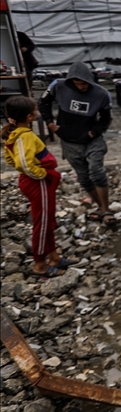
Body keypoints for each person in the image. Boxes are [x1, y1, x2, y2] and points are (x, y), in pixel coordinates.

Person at [2, 96, 74, 278]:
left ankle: (54, 257)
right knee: (42, 223)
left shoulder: (14, 134)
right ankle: (40, 264)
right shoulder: (25, 135)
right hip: (37, 181)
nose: (37, 112)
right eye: (35, 109)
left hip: (33, 180)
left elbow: (10, 158)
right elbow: (24, 164)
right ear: (29, 116)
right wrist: (42, 174)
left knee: (47, 219)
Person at [38, 62, 115, 226]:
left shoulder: (101, 94)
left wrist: (93, 132)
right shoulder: (58, 86)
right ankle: (101, 207)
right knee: (84, 177)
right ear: (71, 82)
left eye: (84, 83)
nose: (81, 87)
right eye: (77, 84)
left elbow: (106, 119)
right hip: (69, 140)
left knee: (96, 171)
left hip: (92, 140)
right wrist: (50, 123)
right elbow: (43, 103)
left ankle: (106, 209)